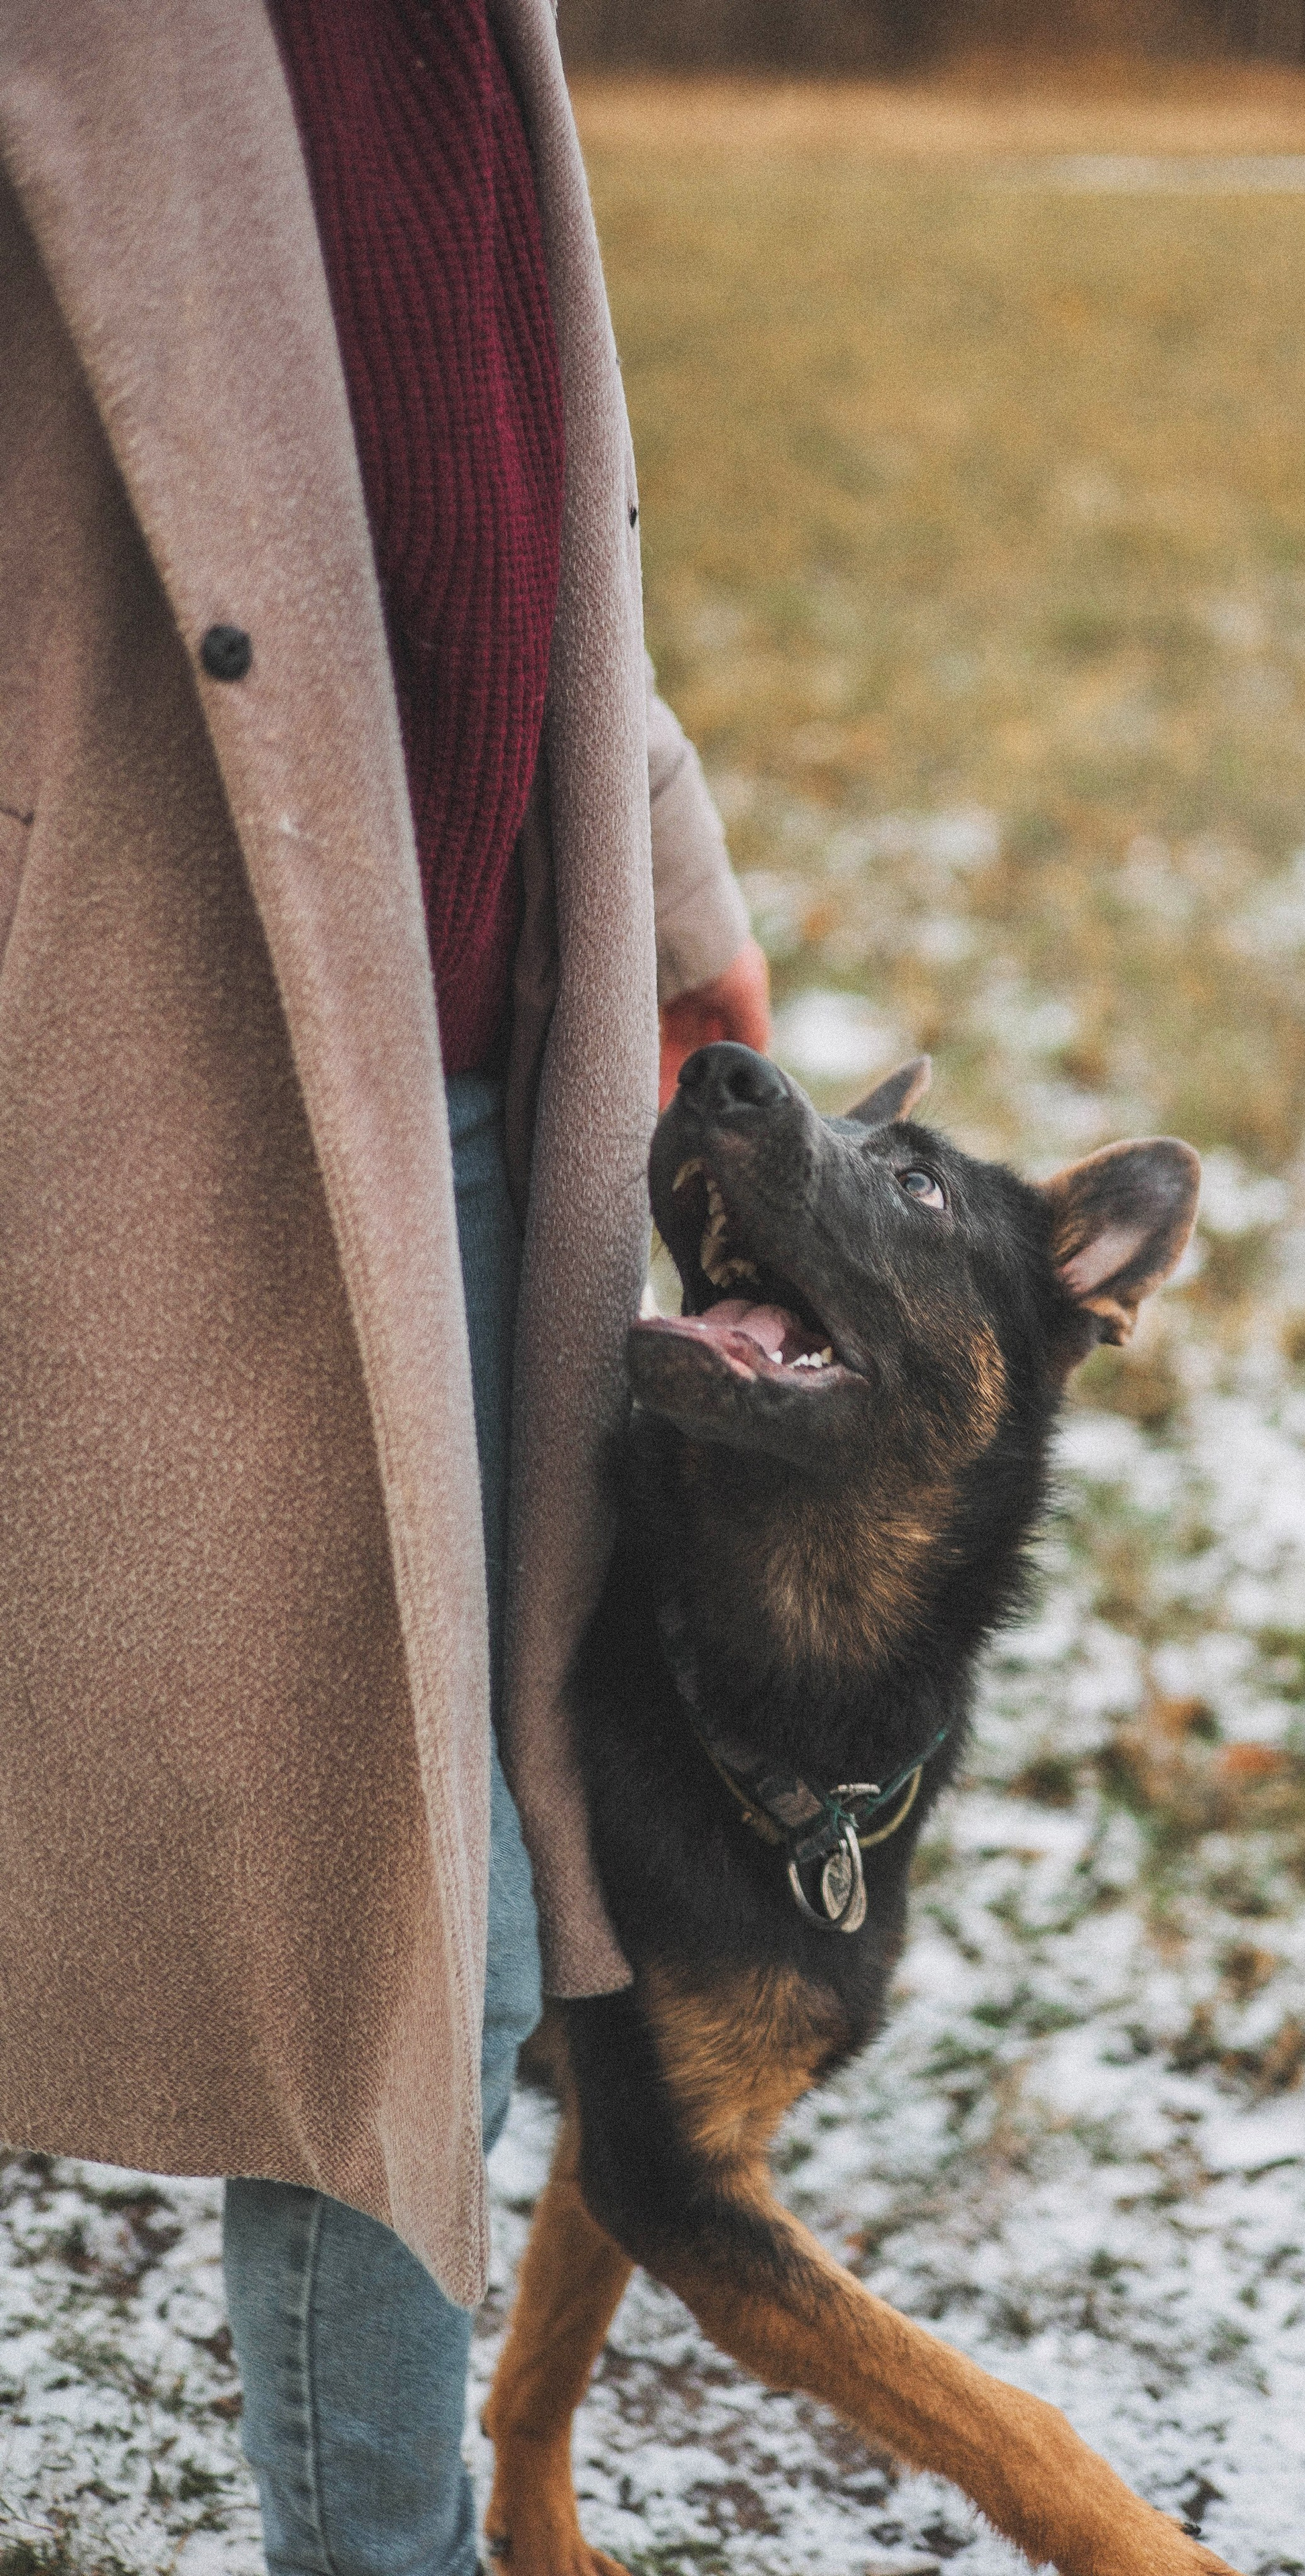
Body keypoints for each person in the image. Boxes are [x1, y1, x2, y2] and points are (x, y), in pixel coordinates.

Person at [0, 3, 766, 2568]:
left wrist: (662, 866)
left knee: (428, 1918)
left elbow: (511, 478)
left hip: (475, 1078)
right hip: (139, 1072)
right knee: (378, 1919)